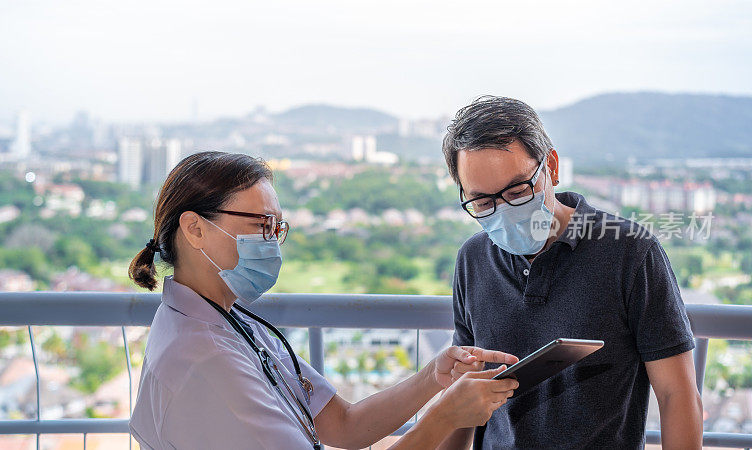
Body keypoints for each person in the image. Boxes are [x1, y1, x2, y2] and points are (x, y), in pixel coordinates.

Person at [127, 151, 521, 449]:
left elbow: (344, 423)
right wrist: (444, 417)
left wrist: (434, 377)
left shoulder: (228, 321)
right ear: (195, 229)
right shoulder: (205, 360)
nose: (271, 242)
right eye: (258, 225)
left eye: (275, 227)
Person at [437, 96, 703, 450]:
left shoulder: (630, 252)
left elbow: (676, 395)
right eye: (483, 203)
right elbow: (464, 397)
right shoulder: (473, 259)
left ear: (551, 166)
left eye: (518, 191)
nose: (503, 212)